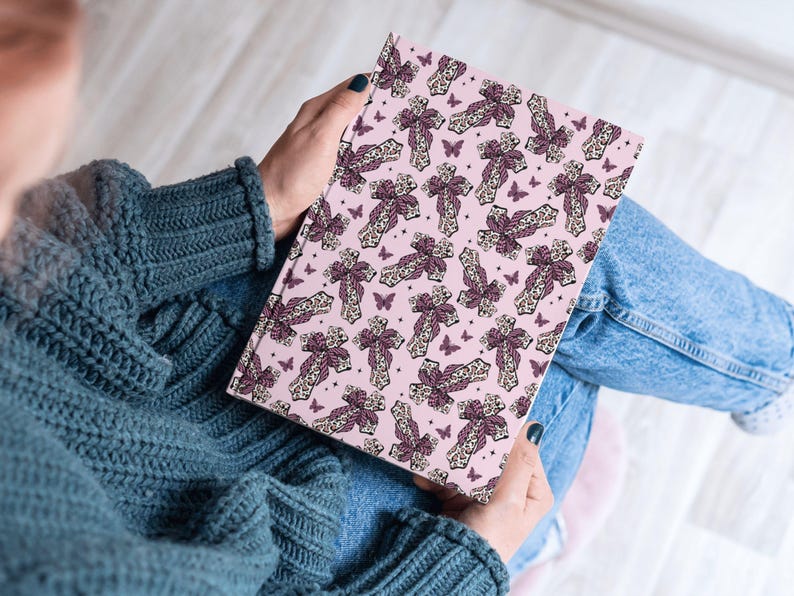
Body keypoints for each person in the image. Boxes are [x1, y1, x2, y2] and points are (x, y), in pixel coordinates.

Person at [1, 1, 793, 594]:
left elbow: (37, 268)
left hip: (166, 349)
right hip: (278, 550)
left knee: (522, 206)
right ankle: (549, 525)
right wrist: (466, 557)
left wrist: (257, 203)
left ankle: (772, 367)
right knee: (553, 337)